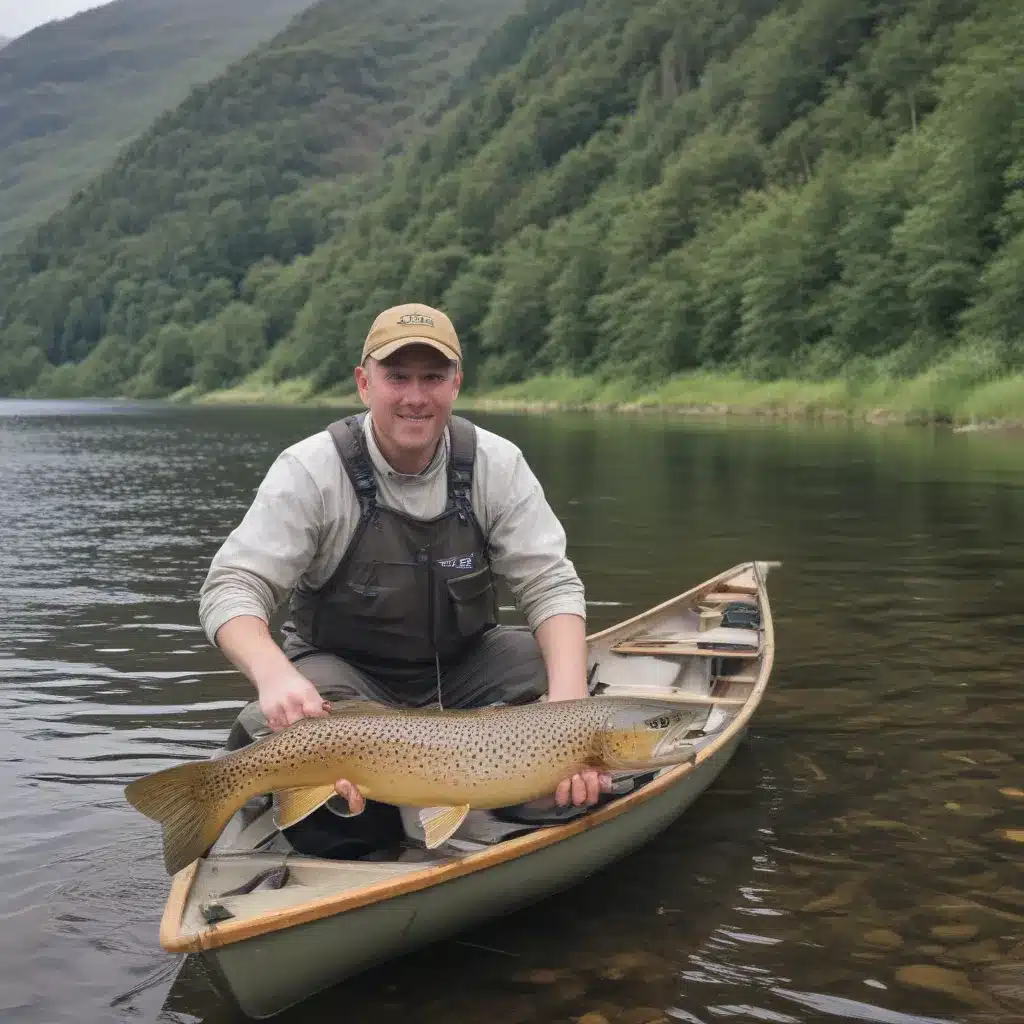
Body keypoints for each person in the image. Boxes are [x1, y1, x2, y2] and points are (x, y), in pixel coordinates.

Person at [199, 302, 611, 857]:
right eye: (397, 377)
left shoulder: (496, 463)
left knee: (566, 672)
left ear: (456, 384)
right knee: (340, 828)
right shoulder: (310, 471)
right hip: (344, 688)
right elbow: (232, 587)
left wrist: (568, 718)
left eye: (433, 377)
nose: (415, 397)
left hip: (463, 670)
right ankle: (410, 796)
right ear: (364, 383)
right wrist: (273, 676)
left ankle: (494, 782)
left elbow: (549, 586)